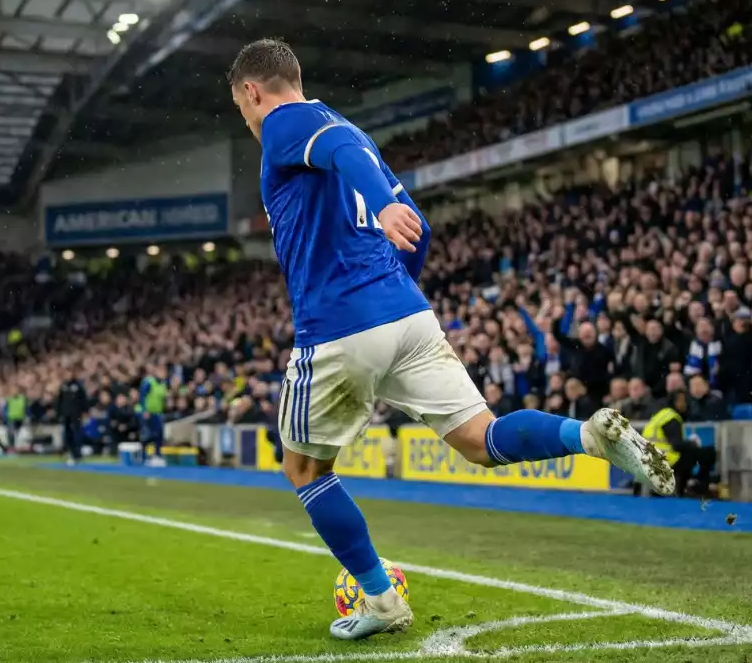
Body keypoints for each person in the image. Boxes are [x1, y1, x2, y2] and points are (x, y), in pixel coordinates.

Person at [227, 38, 672, 642]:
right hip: (407, 313)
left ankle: (381, 600)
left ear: (252, 91)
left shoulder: (287, 122)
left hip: (337, 325)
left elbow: (338, 150)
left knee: (304, 467)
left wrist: (382, 208)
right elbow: (422, 230)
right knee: (478, 439)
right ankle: (587, 435)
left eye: (242, 107)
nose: (248, 119)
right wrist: (393, 278)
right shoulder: (353, 129)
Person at [56, 372, 89, 466]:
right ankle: (69, 452)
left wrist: (84, 411)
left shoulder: (78, 386)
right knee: (67, 434)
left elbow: (83, 399)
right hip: (66, 414)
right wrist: (59, 414)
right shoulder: (63, 386)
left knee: (76, 434)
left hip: (76, 414)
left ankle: (77, 454)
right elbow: (59, 400)